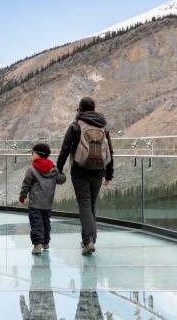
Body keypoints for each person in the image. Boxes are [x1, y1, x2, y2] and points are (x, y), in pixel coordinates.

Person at [57, 97, 114, 255]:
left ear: (80, 109)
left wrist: (59, 169)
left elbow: (65, 149)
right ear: (94, 109)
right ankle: (89, 240)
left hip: (80, 170)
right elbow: (109, 151)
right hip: (98, 170)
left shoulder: (75, 126)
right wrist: (109, 175)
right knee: (91, 204)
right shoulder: (103, 127)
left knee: (84, 204)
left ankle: (88, 240)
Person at [19, 143, 66, 254]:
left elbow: (26, 185)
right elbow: (62, 179)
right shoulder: (53, 169)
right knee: (46, 223)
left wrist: (22, 197)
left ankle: (37, 245)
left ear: (38, 154)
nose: (31, 154)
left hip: (35, 204)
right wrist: (60, 170)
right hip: (48, 203)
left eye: (33, 152)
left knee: (36, 224)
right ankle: (45, 242)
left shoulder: (31, 169)